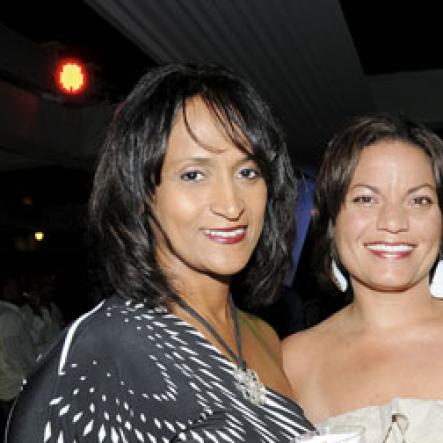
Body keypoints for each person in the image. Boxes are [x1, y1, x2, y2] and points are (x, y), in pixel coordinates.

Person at [7, 63, 313, 442]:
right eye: (193, 175)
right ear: (140, 195)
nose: (232, 204)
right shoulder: (102, 355)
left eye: (247, 172)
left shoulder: (265, 336)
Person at [282, 114, 443, 442]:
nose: (393, 222)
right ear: (331, 221)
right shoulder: (289, 364)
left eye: (419, 200)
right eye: (366, 199)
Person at [0, 272, 36, 440]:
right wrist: (26, 382)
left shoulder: (10, 313)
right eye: (15, 286)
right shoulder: (8, 316)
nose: (20, 290)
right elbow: (8, 358)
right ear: (5, 289)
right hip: (14, 390)